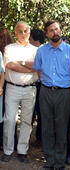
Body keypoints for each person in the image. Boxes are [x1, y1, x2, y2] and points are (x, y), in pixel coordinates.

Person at [33, 20, 70, 170]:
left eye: (57, 29)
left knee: (62, 127)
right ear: (46, 34)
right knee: (46, 127)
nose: (55, 32)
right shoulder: (41, 51)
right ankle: (49, 161)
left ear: (61, 30)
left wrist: (66, 90)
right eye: (51, 30)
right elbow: (38, 71)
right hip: (45, 91)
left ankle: (59, 162)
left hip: (64, 93)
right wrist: (48, 83)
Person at [2, 21, 38, 163]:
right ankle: (8, 150)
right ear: (15, 33)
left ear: (29, 33)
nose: (23, 34)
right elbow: (10, 65)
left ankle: (22, 151)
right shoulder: (9, 48)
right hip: (12, 88)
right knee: (10, 120)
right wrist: (28, 66)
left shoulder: (36, 50)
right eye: (20, 31)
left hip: (30, 89)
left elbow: (37, 67)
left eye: (26, 31)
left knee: (26, 121)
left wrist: (20, 62)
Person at [30, 28, 45, 145]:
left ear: (35, 40)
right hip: (39, 84)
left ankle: (39, 137)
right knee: (40, 112)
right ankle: (39, 137)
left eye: (30, 39)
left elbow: (35, 68)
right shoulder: (45, 49)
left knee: (36, 111)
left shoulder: (38, 51)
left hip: (39, 84)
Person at [0, 28, 14, 150]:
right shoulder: (11, 48)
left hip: (5, 82)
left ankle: (4, 142)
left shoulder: (7, 50)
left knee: (6, 114)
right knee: (8, 114)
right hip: (8, 82)